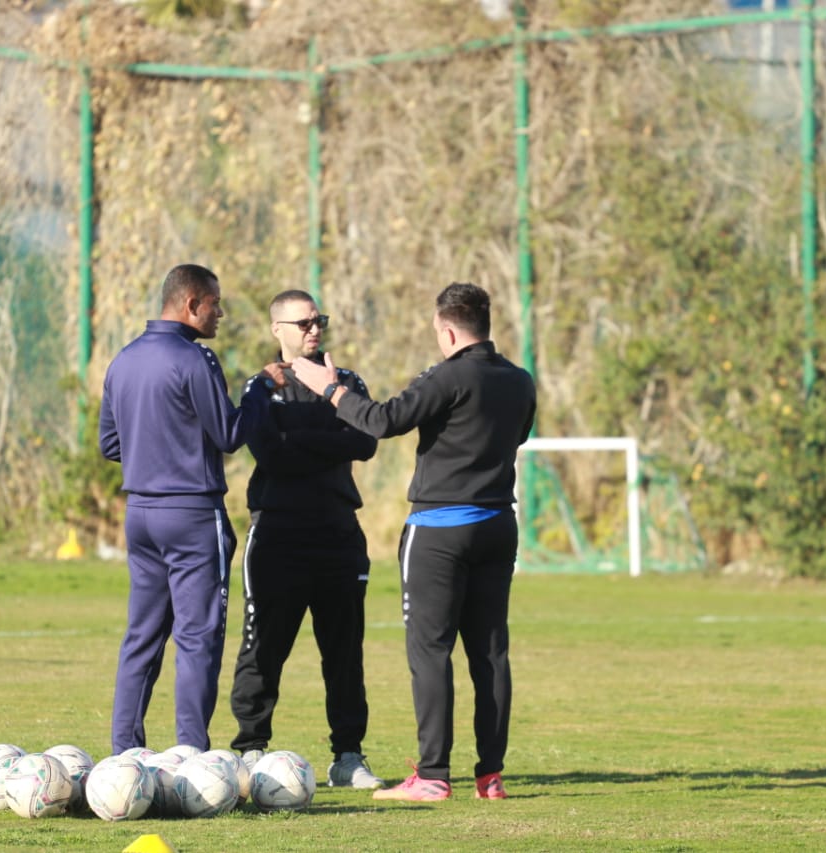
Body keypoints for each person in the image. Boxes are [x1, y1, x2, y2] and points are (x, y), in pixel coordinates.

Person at [292, 282, 536, 802]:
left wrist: (330, 389)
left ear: (447, 329)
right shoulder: (519, 380)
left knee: (430, 651)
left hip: (440, 531)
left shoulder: (447, 377)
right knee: (490, 652)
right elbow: (518, 437)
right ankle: (490, 776)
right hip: (497, 524)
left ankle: (431, 775)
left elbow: (383, 421)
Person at [99, 263, 285, 754]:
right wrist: (259, 390)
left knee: (142, 635)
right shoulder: (193, 359)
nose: (220, 313)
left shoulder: (123, 360)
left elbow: (110, 443)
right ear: (191, 304)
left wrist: (153, 451)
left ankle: (125, 754)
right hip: (192, 515)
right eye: (216, 304)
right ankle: (190, 755)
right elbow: (229, 434)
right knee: (198, 638)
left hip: (139, 513)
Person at [228, 290, 384, 789]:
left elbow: (364, 441)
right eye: (302, 322)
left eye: (318, 320)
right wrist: (322, 441)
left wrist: (300, 439)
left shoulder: (346, 382)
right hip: (277, 535)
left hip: (338, 533)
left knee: (344, 653)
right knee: (263, 649)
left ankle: (348, 756)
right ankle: (251, 749)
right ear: (278, 330)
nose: (314, 329)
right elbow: (271, 456)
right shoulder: (264, 385)